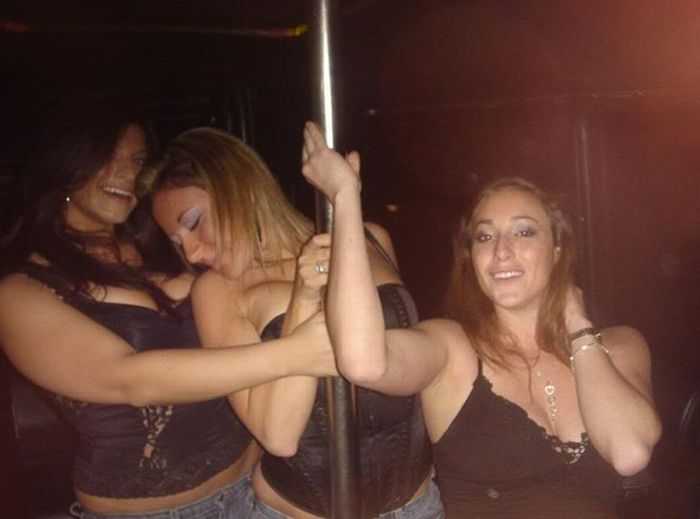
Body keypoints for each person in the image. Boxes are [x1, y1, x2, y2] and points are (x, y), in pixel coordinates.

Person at [300, 121, 662, 518]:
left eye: (524, 232)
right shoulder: (453, 348)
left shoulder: (620, 345)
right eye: (485, 237)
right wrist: (345, 197)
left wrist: (577, 323)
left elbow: (629, 452)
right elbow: (363, 363)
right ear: (471, 257)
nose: (502, 251)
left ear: (557, 248)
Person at [0, 93, 336, 519]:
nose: (129, 173)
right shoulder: (22, 291)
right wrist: (296, 353)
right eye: (111, 155)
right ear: (68, 158)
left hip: (254, 489)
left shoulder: (169, 245)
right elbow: (130, 380)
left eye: (138, 160)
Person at [147, 126, 443, 518]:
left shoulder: (371, 239)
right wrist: (303, 300)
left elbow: (410, 368)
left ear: (241, 188)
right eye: (176, 241)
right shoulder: (217, 290)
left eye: (194, 222)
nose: (192, 252)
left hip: (416, 506)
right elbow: (278, 437)